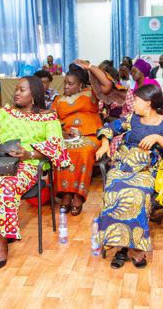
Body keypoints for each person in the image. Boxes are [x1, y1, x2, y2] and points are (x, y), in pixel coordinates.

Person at [0, 76, 70, 270]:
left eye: (22, 90)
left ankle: (4, 241)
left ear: (34, 95)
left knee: (7, 186)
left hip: (28, 165)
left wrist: (28, 153)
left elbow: (56, 147)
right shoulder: (5, 112)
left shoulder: (48, 117)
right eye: (16, 89)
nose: (17, 93)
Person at [96, 84, 163, 269]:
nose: (132, 103)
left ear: (148, 103)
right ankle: (121, 246)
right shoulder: (132, 119)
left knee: (137, 194)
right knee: (113, 192)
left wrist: (158, 139)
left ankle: (136, 249)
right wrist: (105, 144)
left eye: (135, 100)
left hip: (147, 169)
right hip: (123, 165)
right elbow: (109, 128)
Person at [51, 65, 103, 216]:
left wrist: (91, 67)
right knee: (61, 150)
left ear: (80, 84)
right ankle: (66, 195)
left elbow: (106, 85)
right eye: (65, 83)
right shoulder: (58, 100)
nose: (66, 86)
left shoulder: (90, 94)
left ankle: (78, 196)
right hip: (67, 136)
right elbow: (52, 120)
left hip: (90, 135)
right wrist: (61, 132)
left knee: (84, 151)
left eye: (71, 83)